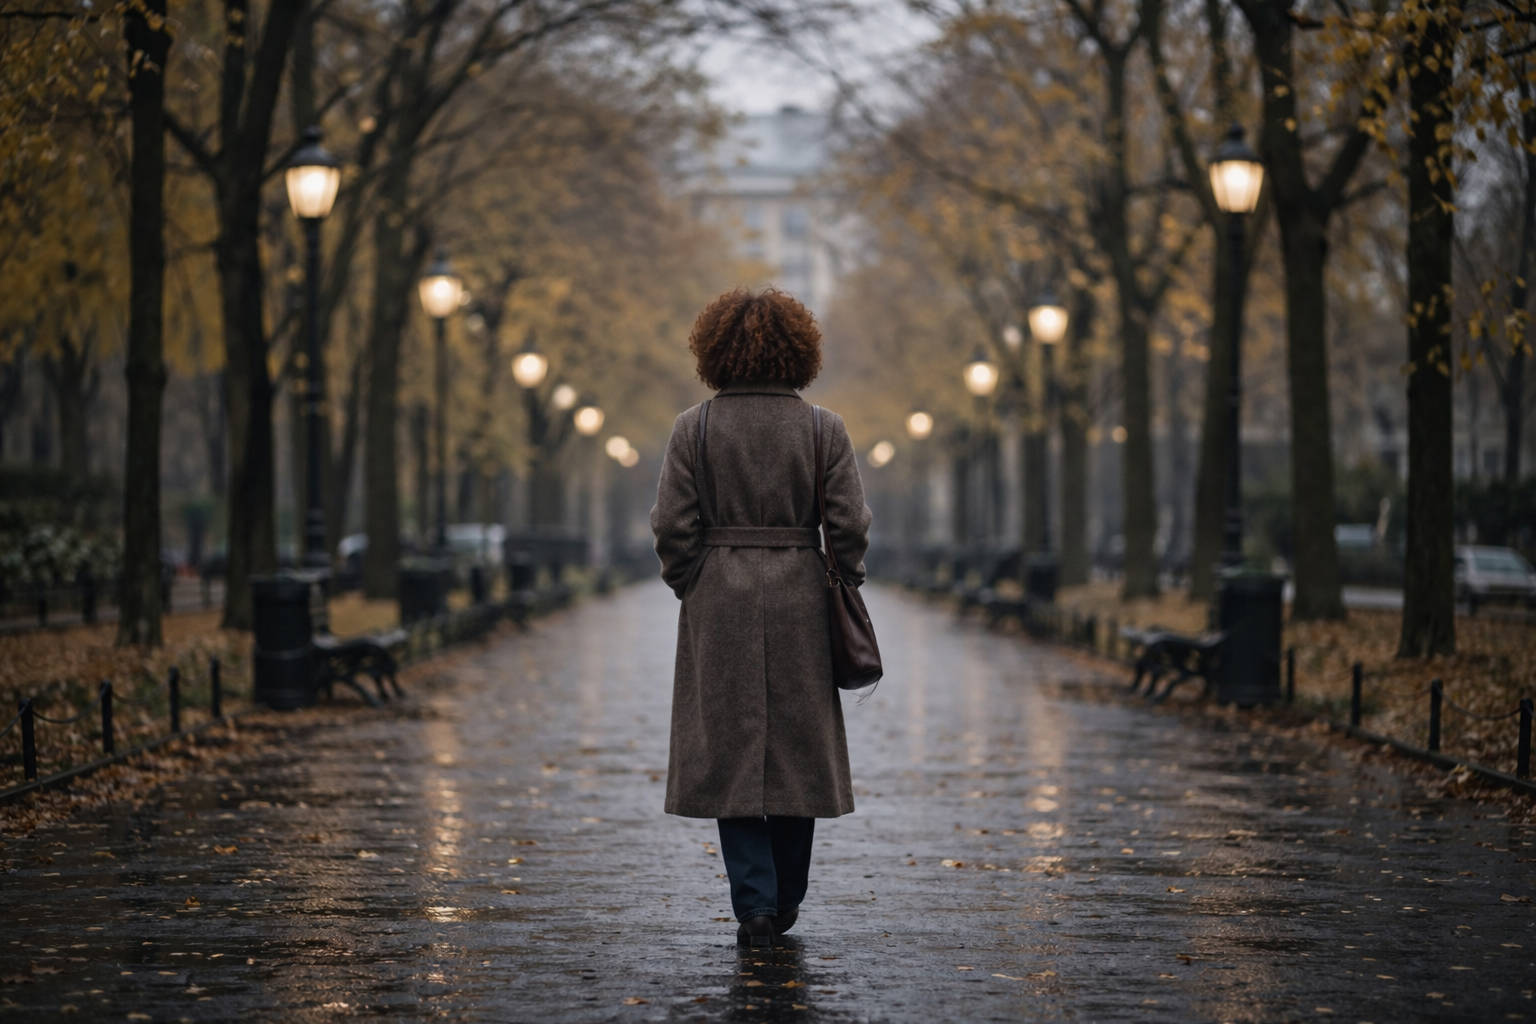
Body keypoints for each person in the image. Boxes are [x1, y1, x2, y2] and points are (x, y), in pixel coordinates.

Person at [651, 287, 873, 949]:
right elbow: (849, 525)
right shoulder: (823, 429)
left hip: (719, 596)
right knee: (799, 748)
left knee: (729, 749)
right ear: (799, 352)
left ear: (713, 351)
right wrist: (844, 578)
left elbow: (671, 526)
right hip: (803, 593)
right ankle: (787, 894)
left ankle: (754, 902)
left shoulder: (693, 428)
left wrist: (693, 581)